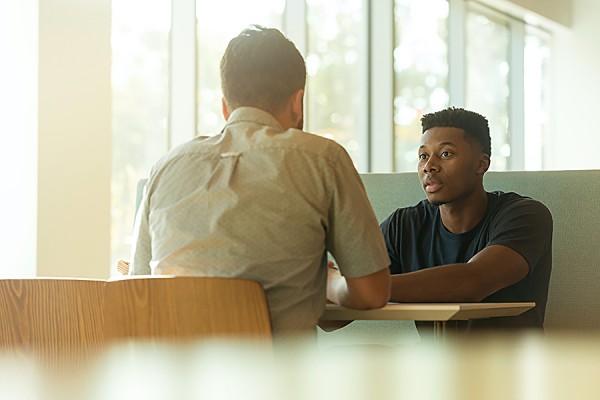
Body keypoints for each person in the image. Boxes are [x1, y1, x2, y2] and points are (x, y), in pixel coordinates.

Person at [129, 25, 391, 337]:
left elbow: (138, 289)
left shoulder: (165, 167)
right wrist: (330, 282)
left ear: (226, 106)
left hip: (172, 380)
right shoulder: (323, 159)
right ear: (298, 102)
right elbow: (372, 293)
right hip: (277, 380)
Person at [380, 107, 552, 332]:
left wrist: (360, 287)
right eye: (423, 156)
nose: (429, 166)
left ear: (481, 164)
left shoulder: (525, 216)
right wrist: (330, 283)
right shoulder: (403, 225)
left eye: (445, 154)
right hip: (434, 364)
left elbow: (471, 283)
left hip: (510, 364)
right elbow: (333, 320)